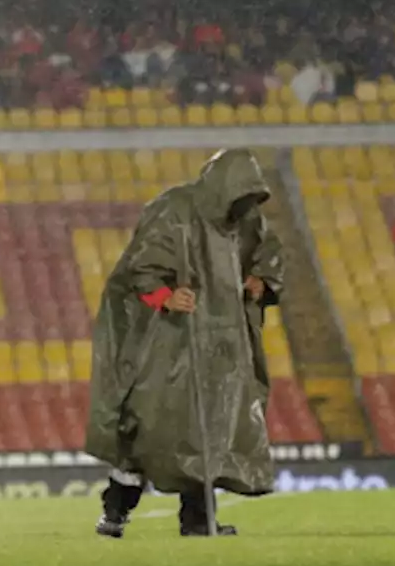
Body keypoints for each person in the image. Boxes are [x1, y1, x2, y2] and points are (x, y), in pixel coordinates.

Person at [86, 148, 284, 538]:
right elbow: (139, 269)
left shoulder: (245, 219)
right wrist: (165, 296)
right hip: (168, 341)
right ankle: (116, 510)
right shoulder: (173, 210)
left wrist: (262, 281)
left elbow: (267, 253)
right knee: (148, 425)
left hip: (222, 346)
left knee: (208, 430)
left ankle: (197, 521)